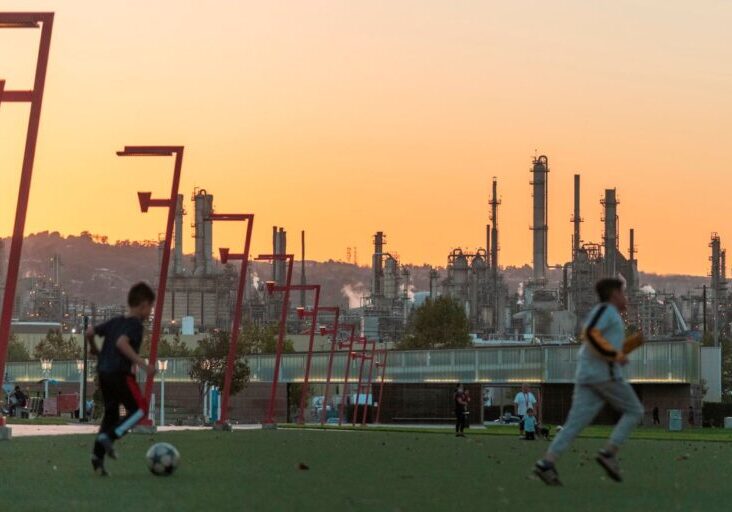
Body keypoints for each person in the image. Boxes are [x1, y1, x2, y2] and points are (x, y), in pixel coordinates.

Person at [534, 278, 645, 486]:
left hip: (588, 376)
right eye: (623, 293)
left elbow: (608, 347)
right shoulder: (606, 311)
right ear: (614, 294)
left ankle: (546, 463)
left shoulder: (608, 315)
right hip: (604, 375)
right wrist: (616, 355)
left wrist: (631, 345)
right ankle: (609, 452)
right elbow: (590, 335)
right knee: (635, 411)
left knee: (575, 424)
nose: (626, 297)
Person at [86, 282, 156, 476]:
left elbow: (90, 331)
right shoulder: (135, 325)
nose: (150, 312)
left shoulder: (115, 321)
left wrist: (93, 348)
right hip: (120, 373)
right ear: (143, 305)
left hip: (104, 372)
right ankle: (111, 436)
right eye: (150, 307)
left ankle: (97, 458)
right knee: (140, 409)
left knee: (111, 414)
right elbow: (121, 343)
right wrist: (144, 365)